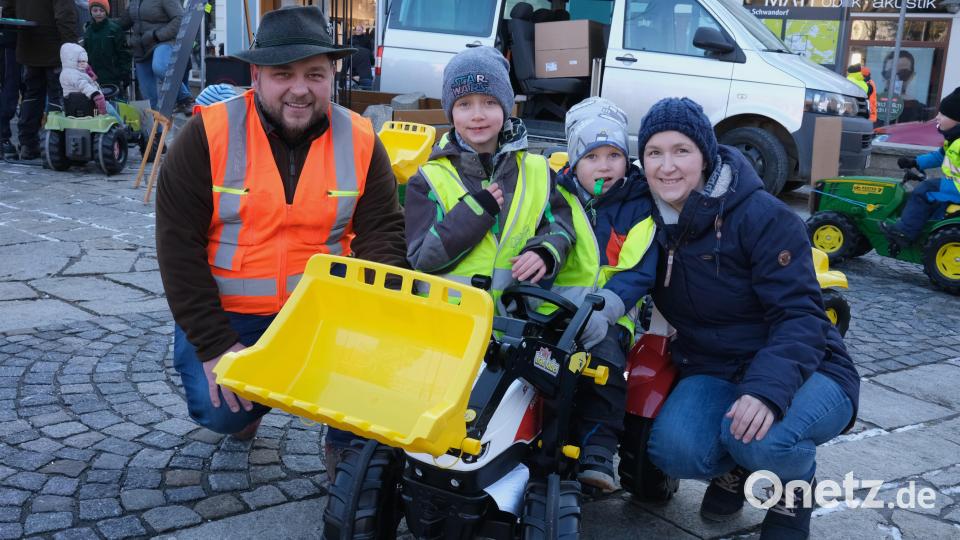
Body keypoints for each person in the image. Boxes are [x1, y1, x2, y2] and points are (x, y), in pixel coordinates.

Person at [155, 7, 406, 480]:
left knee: (374, 382)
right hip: (233, 316)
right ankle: (247, 412)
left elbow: (384, 235)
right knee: (222, 413)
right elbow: (177, 247)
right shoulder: (205, 135)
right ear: (256, 75)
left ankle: (346, 445)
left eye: (314, 73)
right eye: (282, 74)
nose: (299, 88)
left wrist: (376, 326)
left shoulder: (361, 138)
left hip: (324, 314)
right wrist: (214, 348)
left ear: (333, 73)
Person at [638, 98, 859, 539]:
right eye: (654, 153)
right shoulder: (649, 218)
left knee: (764, 438)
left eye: (681, 150)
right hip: (714, 366)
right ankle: (737, 472)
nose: (667, 166)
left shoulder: (764, 217)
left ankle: (791, 494)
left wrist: (766, 391)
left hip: (807, 367)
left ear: (706, 154)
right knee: (672, 449)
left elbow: (801, 317)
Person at [404, 46, 574, 311]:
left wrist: (545, 251)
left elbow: (560, 224)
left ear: (506, 106)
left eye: (490, 102)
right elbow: (422, 257)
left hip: (514, 321)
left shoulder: (537, 170)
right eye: (464, 104)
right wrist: (474, 212)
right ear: (450, 112)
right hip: (448, 322)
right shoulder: (428, 180)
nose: (477, 115)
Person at [552, 97, 657, 491]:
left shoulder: (639, 205)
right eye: (592, 155)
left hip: (610, 313)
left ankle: (598, 446)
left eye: (614, 154)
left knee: (606, 368)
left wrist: (607, 310)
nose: (604, 165)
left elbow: (639, 270)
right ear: (573, 161)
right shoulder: (557, 196)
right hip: (556, 306)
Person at [880, 87, 960, 247]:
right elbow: (938, 156)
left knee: (924, 190)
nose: (937, 117)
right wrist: (915, 162)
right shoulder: (952, 139)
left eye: (943, 114)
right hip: (954, 185)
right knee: (931, 191)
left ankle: (904, 232)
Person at [0, 0, 79, 161]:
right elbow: (64, 15)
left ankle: (28, 144)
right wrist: (72, 46)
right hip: (53, 48)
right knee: (58, 96)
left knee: (32, 95)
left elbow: (8, 9)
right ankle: (56, 146)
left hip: (28, 44)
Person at [119, 0, 194, 114]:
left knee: (160, 67)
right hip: (141, 48)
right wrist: (102, 23)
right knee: (149, 98)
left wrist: (157, 35)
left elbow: (180, 18)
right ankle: (158, 131)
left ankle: (185, 99)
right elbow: (124, 22)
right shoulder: (134, 2)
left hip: (163, 41)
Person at [58, 42, 120, 121]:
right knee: (110, 108)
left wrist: (88, 71)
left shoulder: (66, 73)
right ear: (72, 60)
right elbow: (85, 87)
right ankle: (122, 127)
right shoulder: (74, 76)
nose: (84, 63)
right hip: (90, 107)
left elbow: (89, 81)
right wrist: (98, 97)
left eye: (84, 61)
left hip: (72, 108)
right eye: (81, 61)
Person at [82, 0, 132, 93]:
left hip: (113, 76)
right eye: (95, 10)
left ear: (106, 11)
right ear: (90, 12)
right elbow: (85, 53)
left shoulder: (114, 29)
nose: (98, 13)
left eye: (101, 10)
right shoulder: (88, 31)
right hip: (94, 77)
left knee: (113, 103)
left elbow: (124, 53)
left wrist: (125, 72)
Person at [0, 24, 19, 159]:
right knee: (9, 89)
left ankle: (4, 136)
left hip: (10, 40)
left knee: (10, 89)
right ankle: (3, 137)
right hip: (8, 42)